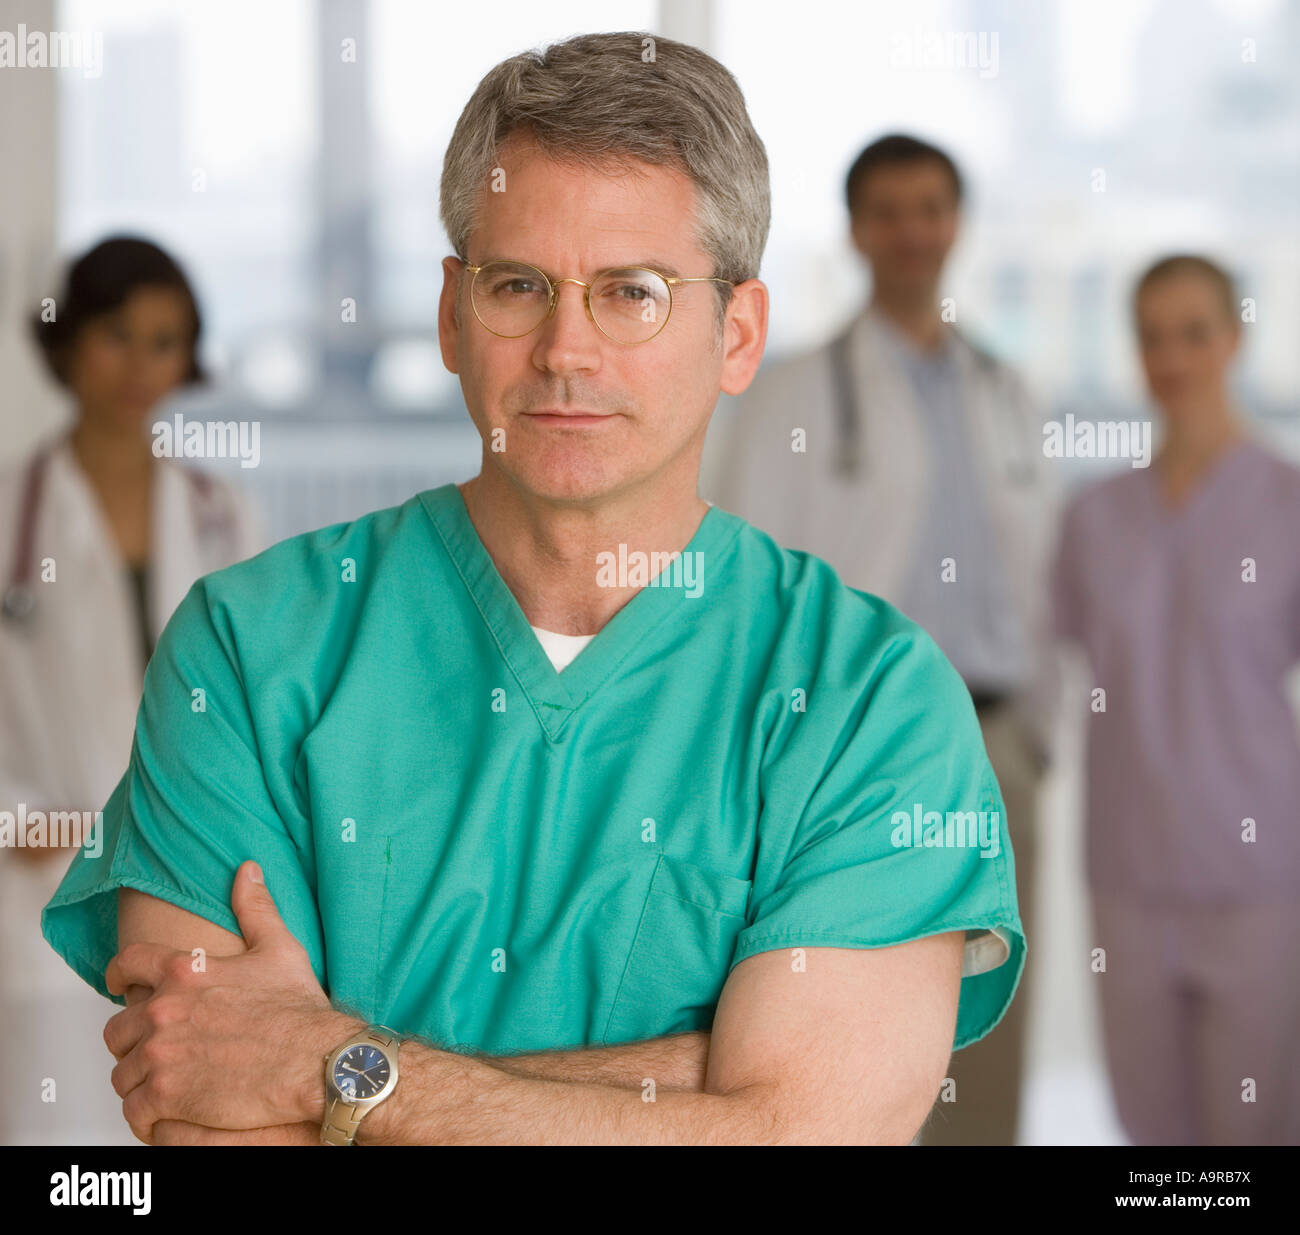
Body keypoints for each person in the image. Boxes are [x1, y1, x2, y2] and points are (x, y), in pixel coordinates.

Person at [42, 33, 1024, 1147]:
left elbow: (812, 1134)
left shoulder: (867, 696)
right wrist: (709, 1081)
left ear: (737, 332)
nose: (566, 348)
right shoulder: (250, 650)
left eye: (632, 294)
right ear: (455, 313)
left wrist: (335, 1065)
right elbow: (212, 1113)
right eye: (519, 285)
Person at [706, 134, 1057, 1145]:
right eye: (889, 211)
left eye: (931, 208)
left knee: (990, 1024)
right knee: (844, 1029)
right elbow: (745, 583)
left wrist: (1038, 737)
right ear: (857, 230)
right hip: (851, 754)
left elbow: (1043, 588)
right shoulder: (796, 394)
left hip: (995, 747)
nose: (912, 232)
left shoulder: (1006, 390)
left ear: (956, 224)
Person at [0, 236, 265, 1144]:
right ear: (68, 340)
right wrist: (21, 819)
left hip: (193, 891)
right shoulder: (6, 513)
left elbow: (261, 713)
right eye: (117, 332)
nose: (141, 364)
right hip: (35, 893)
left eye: (166, 339)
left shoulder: (225, 517)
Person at [1051, 255, 1300, 1146]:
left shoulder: (1287, 502)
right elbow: (1059, 665)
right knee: (1152, 1141)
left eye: (1194, 332)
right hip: (1127, 868)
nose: (1172, 356)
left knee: (1253, 1134)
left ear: (1235, 339)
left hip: (1259, 871)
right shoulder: (1094, 516)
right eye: (1152, 336)